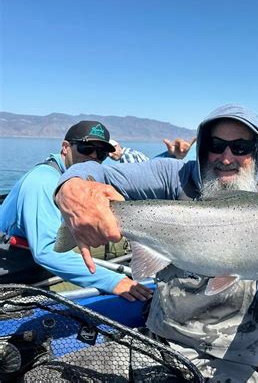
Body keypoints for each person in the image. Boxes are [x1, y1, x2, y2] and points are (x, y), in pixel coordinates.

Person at [54, 104, 258, 382]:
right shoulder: (173, 176)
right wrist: (72, 187)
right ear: (202, 148)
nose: (226, 158)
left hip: (242, 358)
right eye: (216, 145)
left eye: (240, 147)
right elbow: (99, 173)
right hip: (166, 341)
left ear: (255, 154)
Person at [0, 120, 152, 302]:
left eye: (101, 153)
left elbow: (140, 177)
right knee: (116, 296)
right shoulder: (42, 181)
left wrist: (171, 156)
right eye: (86, 148)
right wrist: (114, 281)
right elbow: (46, 251)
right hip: (27, 270)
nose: (94, 157)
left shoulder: (79, 180)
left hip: (42, 258)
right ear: (65, 148)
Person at [109, 137, 196, 163]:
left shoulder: (127, 156)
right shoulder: (132, 152)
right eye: (106, 153)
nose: (110, 155)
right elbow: (151, 163)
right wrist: (170, 155)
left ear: (118, 146)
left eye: (111, 150)